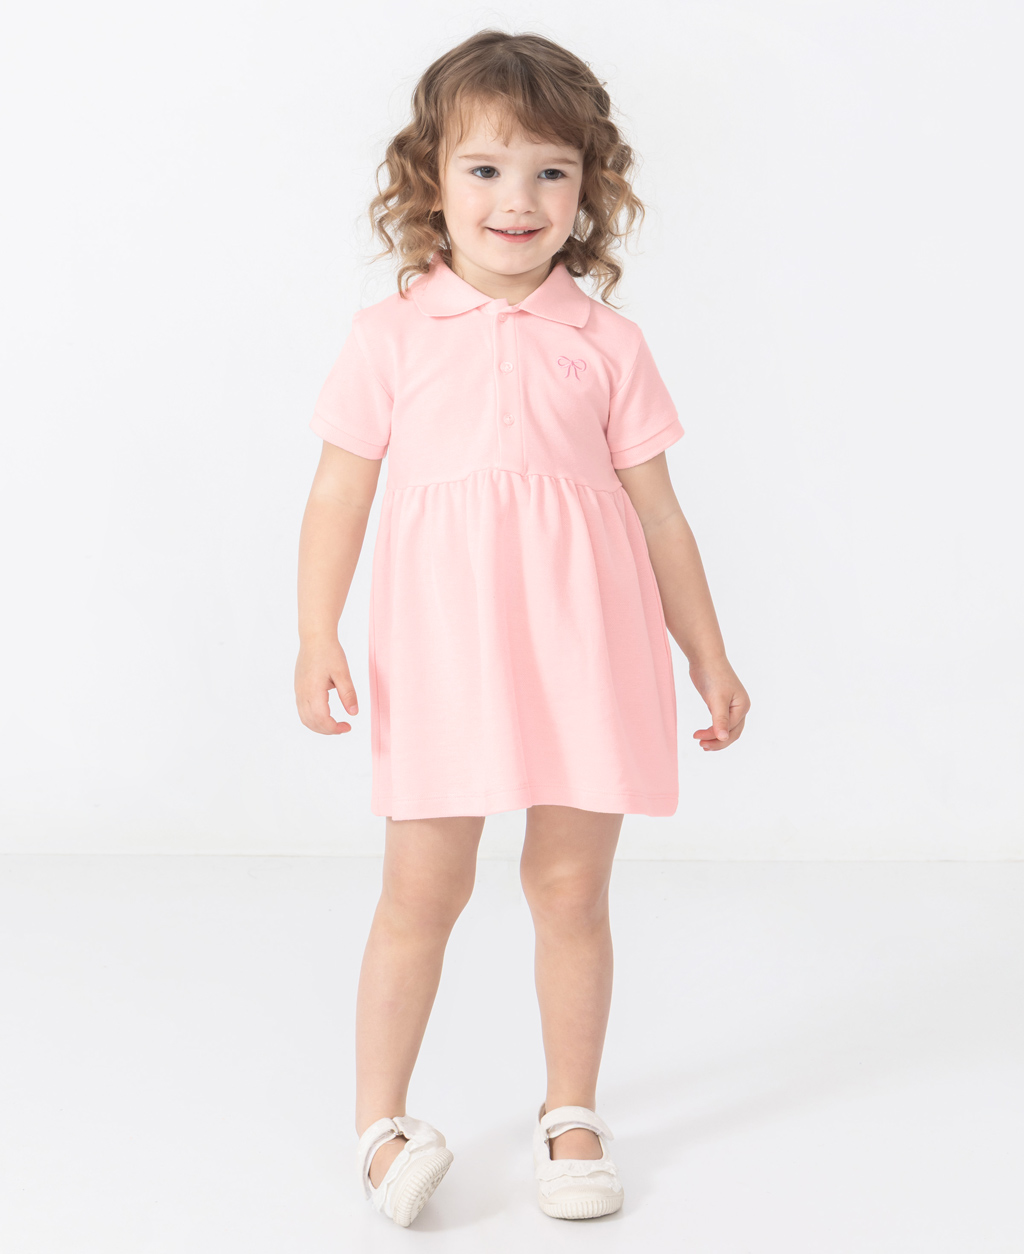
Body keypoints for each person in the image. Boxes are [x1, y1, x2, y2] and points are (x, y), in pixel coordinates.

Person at [294, 28, 750, 1228]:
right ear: (429, 179)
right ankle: (380, 1124)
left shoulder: (606, 345)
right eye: (486, 168)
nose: (518, 199)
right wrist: (314, 631)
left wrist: (706, 653)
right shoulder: (390, 338)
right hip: (444, 659)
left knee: (570, 890)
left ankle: (570, 1111)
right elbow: (338, 496)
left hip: (588, 657)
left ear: (588, 189)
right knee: (421, 891)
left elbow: (660, 515)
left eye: (551, 171)